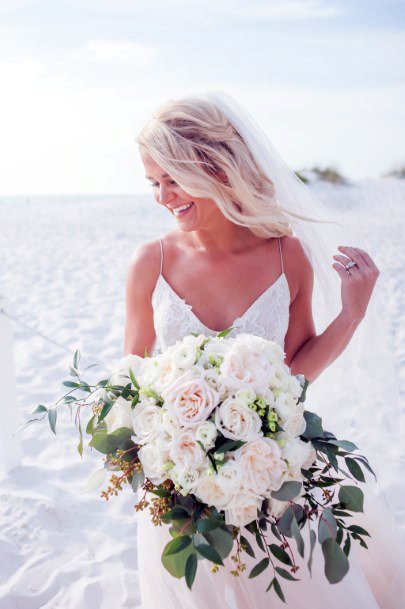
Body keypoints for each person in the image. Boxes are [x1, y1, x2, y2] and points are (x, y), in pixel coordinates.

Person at [124, 92, 403, 608]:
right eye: (153, 183)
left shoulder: (285, 253)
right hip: (180, 493)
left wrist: (352, 313)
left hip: (270, 473)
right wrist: (170, 449)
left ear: (217, 167)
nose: (164, 196)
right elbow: (132, 386)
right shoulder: (151, 262)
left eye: (173, 178)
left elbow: (296, 375)